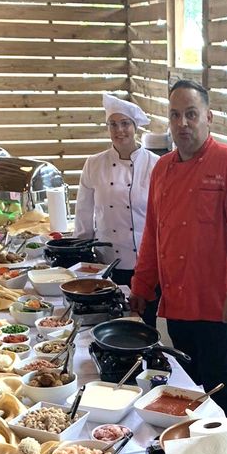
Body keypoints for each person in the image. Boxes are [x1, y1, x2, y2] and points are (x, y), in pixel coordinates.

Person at [129, 79, 227, 417]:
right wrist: (141, 288)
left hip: (217, 305)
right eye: (175, 115)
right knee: (186, 389)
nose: (183, 123)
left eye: (191, 114)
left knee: (216, 393)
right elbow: (153, 235)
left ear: (209, 117)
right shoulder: (162, 169)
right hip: (177, 304)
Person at [73, 94, 160, 325]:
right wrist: (80, 256)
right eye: (113, 124)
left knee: (144, 325)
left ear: (135, 126)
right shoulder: (94, 164)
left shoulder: (156, 165)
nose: (119, 130)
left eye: (125, 124)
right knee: (109, 323)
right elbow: (83, 213)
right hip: (107, 263)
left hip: (147, 264)